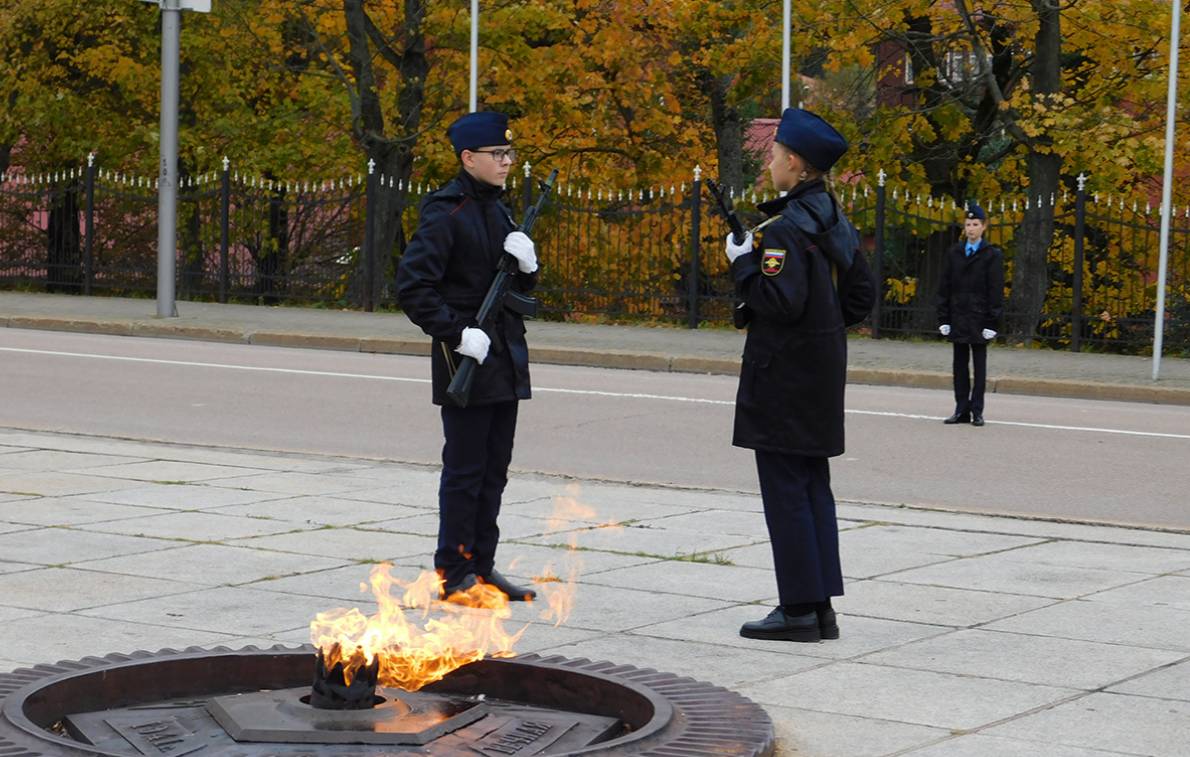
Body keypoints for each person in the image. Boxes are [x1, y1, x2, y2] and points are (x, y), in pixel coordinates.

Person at [724, 108, 876, 642]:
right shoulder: (835, 219)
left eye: (774, 155)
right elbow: (861, 296)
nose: (770, 163)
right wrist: (825, 327)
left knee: (787, 492)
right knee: (812, 488)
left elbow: (779, 303)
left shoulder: (786, 230)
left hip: (784, 375)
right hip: (821, 371)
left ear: (794, 163)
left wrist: (742, 264)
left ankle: (796, 611)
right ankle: (819, 608)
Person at [395, 111, 538, 603]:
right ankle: (454, 569)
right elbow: (414, 287)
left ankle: (483, 564)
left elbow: (516, 289)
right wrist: (457, 333)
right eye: (498, 155)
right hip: (467, 358)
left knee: (495, 468)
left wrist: (528, 267)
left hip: (504, 355)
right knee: (465, 469)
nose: (507, 162)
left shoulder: (499, 210)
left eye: (509, 154)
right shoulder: (446, 211)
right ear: (468, 158)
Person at [936, 203, 1004, 427]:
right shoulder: (954, 253)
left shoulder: (991, 255)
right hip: (958, 316)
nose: (971, 229)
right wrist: (944, 318)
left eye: (975, 224)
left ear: (984, 227)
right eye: (968, 225)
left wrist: (992, 321)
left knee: (980, 366)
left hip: (979, 317)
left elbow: (995, 290)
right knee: (959, 366)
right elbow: (944, 286)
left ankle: (977, 410)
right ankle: (960, 409)